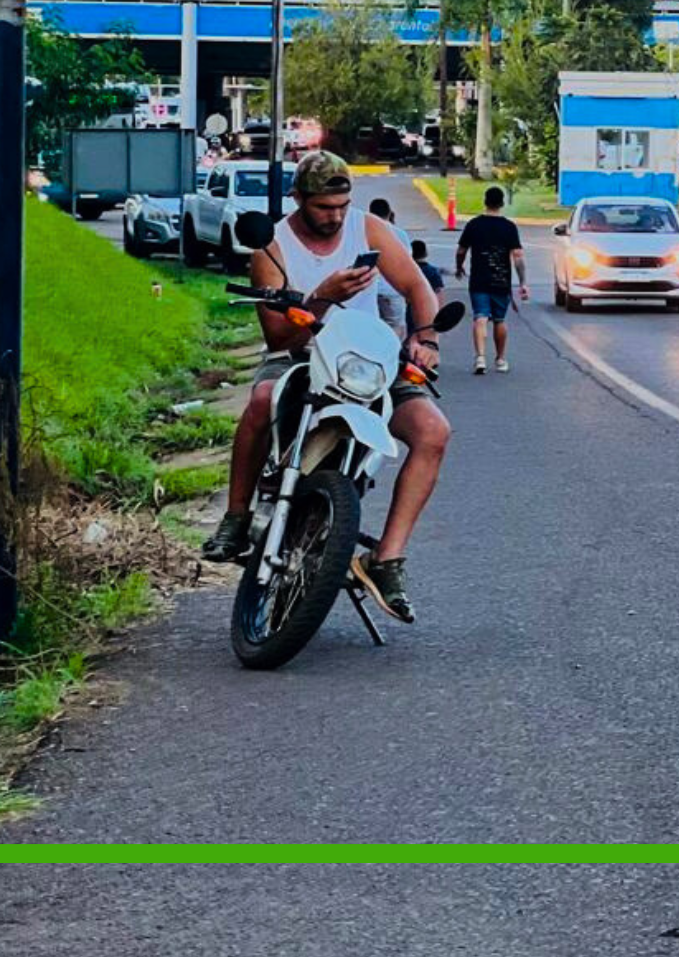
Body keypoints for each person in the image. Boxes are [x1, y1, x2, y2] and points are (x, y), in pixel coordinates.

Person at [200, 152, 448, 625]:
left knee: (434, 432)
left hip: (367, 361)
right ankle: (235, 519)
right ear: (299, 199)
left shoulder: (369, 229)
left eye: (341, 206)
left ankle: (387, 559)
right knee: (260, 401)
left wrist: (425, 337)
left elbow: (418, 287)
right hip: (300, 358)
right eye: (323, 207)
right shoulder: (271, 245)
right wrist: (326, 296)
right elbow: (279, 336)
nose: (335, 217)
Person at [456, 185, 528, 375]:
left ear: (485, 201)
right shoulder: (509, 227)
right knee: (499, 320)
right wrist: (522, 283)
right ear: (502, 203)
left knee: (480, 317)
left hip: (479, 280)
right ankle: (501, 358)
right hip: (501, 281)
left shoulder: (473, 224)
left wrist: (459, 266)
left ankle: (480, 358)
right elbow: (518, 257)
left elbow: (461, 250)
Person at [368, 198, 414, 339]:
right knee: (395, 328)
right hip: (393, 290)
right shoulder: (399, 234)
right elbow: (407, 265)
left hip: (371, 289)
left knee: (372, 329)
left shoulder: (366, 232)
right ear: (389, 213)